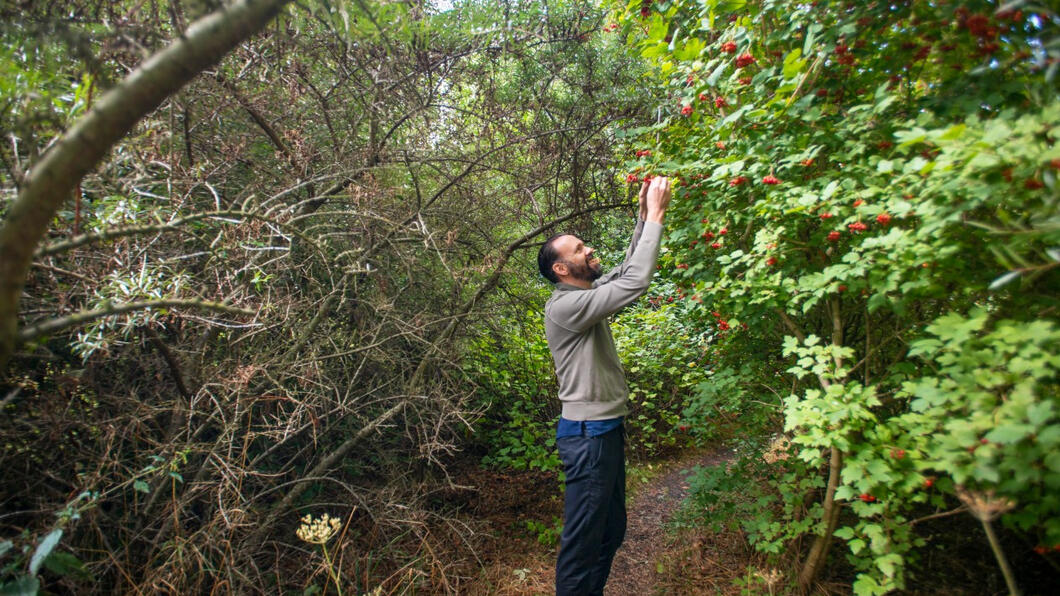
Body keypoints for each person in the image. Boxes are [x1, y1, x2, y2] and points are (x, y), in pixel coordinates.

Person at [537, 176, 671, 595]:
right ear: (561, 268)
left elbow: (627, 271)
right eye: (579, 249)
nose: (588, 249)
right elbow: (635, 283)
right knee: (583, 545)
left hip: (605, 431)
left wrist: (645, 215)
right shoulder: (566, 307)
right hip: (588, 437)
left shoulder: (587, 295)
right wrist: (659, 218)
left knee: (610, 532)